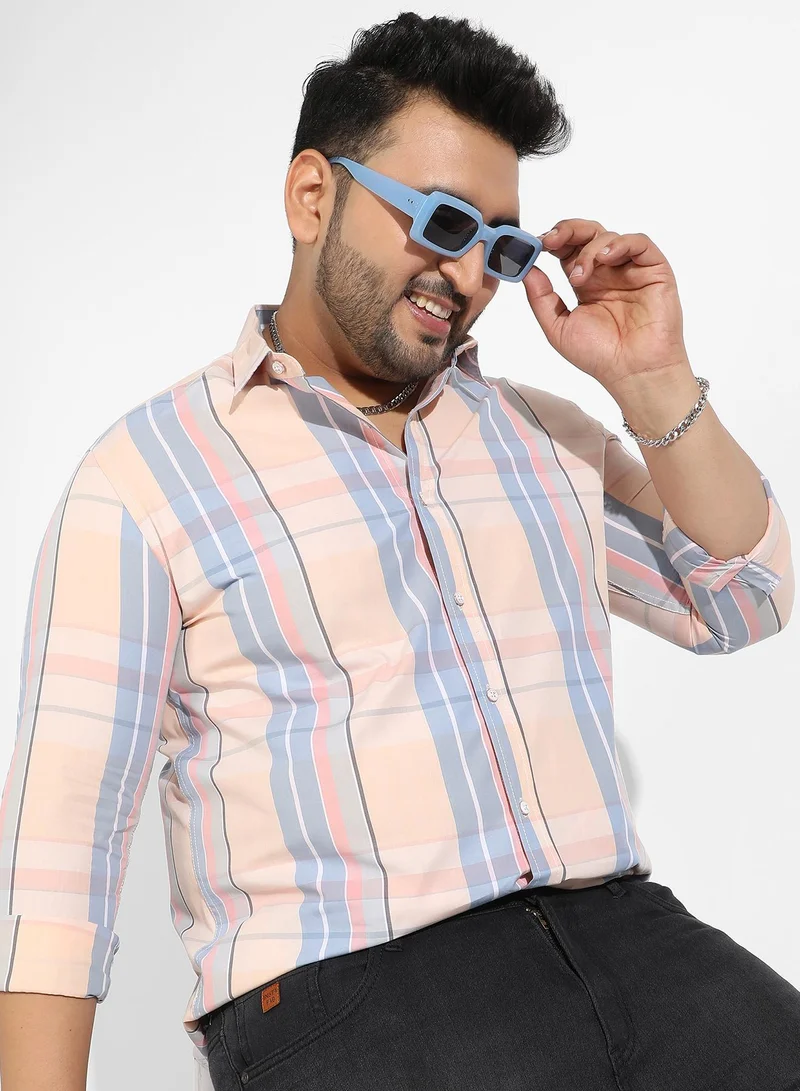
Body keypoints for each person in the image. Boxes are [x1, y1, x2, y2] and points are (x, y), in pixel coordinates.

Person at [0, 11, 797, 1091]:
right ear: (311, 196)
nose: (465, 273)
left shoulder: (544, 436)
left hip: (631, 938)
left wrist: (652, 379)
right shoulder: (144, 478)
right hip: (355, 994)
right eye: (440, 219)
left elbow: (743, 599)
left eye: (499, 246)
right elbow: (59, 851)